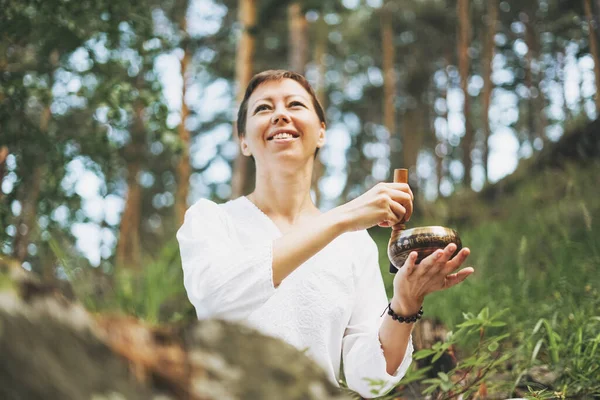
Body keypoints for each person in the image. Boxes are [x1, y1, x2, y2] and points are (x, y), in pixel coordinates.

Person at [176, 70, 473, 398]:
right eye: (263, 108)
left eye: (294, 104)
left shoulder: (354, 244)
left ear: (321, 132)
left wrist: (404, 304)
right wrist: (344, 217)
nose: (280, 114)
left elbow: (367, 377)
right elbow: (217, 298)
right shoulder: (212, 220)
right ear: (244, 140)